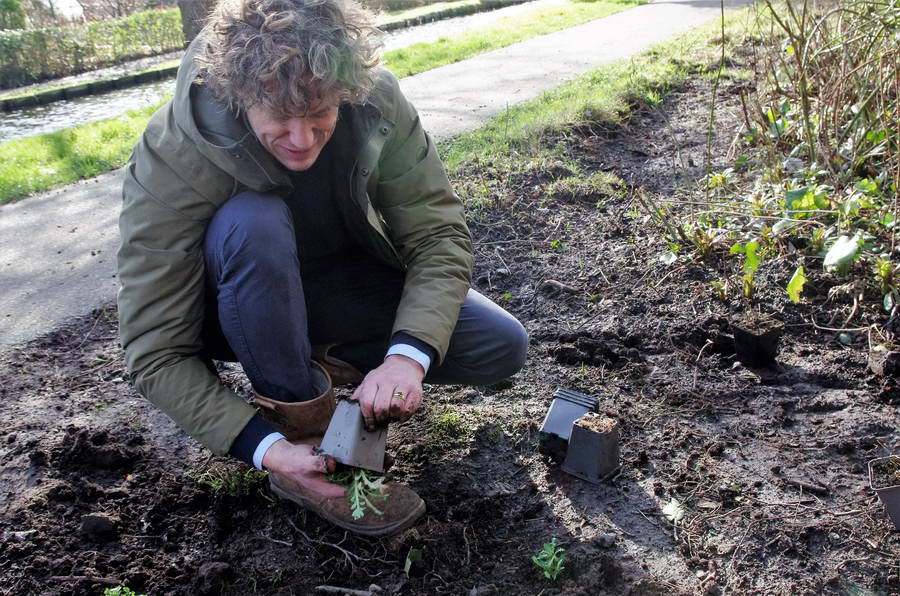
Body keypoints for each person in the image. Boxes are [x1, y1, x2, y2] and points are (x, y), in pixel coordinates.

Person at [116, 0, 527, 537]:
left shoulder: (374, 101)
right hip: (236, 305)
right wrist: (264, 447)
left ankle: (325, 364)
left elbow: (436, 234)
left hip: (338, 284)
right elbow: (155, 351)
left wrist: (407, 357)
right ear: (238, 98)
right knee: (253, 222)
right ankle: (306, 443)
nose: (302, 140)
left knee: (498, 344)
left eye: (319, 114)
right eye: (279, 119)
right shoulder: (173, 152)